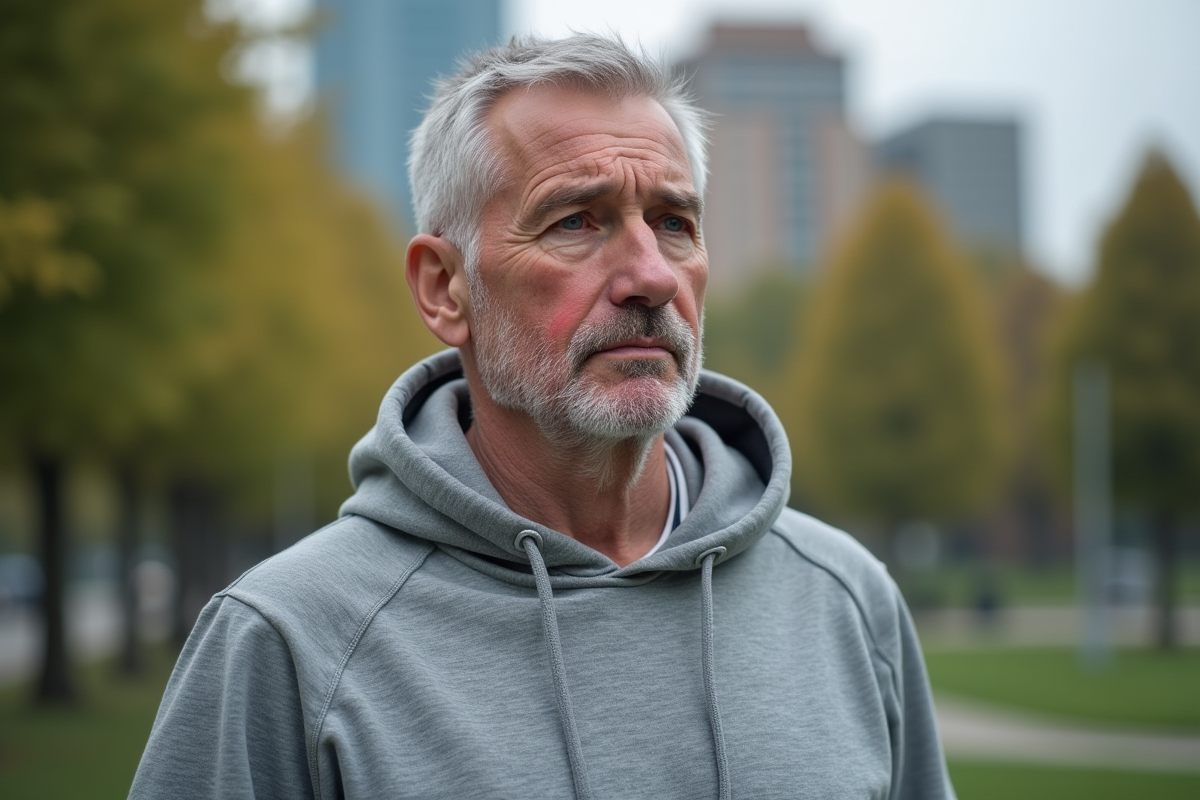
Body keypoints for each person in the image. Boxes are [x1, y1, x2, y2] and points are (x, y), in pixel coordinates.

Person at [130, 35, 955, 800]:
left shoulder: (846, 599)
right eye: (575, 221)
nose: (650, 276)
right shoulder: (286, 640)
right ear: (445, 288)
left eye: (674, 223)